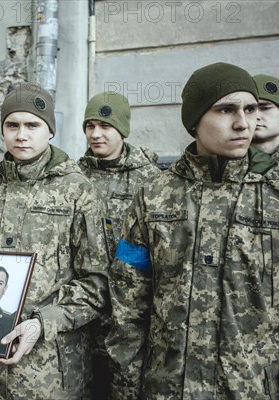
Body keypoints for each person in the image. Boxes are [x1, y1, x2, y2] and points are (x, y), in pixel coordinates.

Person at [105, 62, 279, 399]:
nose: (243, 123)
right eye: (226, 110)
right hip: (165, 388)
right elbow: (129, 301)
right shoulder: (154, 195)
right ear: (195, 120)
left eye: (251, 109)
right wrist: (126, 386)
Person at [0, 82, 109, 399]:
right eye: (12, 125)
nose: (21, 134)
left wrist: (43, 323)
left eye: (32, 125)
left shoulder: (78, 191)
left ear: (50, 131)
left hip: (45, 374)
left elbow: (96, 282)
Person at [78, 91, 160, 398]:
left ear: (122, 130)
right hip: (85, 309)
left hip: (129, 314)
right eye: (90, 126)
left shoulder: (149, 180)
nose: (96, 134)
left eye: (105, 126)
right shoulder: (76, 176)